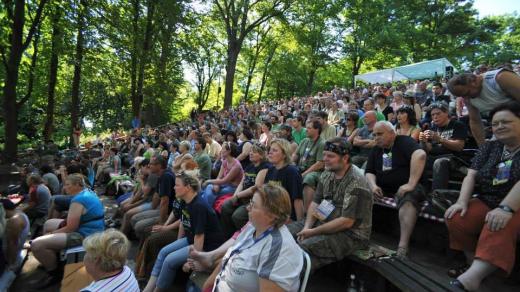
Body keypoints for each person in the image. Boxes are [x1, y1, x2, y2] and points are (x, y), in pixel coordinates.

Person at [445, 101, 520, 291]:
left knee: (498, 222)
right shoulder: (489, 147)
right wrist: (462, 202)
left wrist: (505, 208)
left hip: (516, 204)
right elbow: (471, 175)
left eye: (506, 122)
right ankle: (475, 265)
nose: (499, 127)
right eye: (495, 124)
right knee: (456, 217)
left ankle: (469, 280)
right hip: (489, 198)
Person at [288, 138, 373, 271]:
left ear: (345, 158)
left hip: (351, 235)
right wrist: (307, 227)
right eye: (324, 155)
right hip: (322, 221)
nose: (325, 159)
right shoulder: (327, 173)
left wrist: (312, 232)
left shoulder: (356, 181)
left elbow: (347, 222)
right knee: (284, 234)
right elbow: (316, 202)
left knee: (301, 249)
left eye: (330, 156)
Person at [212, 184, 304, 292]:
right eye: (250, 203)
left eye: (253, 205)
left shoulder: (278, 249)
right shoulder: (254, 226)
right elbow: (229, 257)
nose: (247, 208)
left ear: (272, 215)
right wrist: (208, 285)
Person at [143, 173, 224, 292]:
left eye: (177, 185)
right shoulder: (185, 201)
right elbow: (183, 221)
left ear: (188, 187)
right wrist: (173, 240)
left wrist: (194, 260)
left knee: (169, 261)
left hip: (206, 246)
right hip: (190, 240)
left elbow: (200, 236)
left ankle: (157, 290)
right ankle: (148, 288)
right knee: (163, 252)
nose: (174, 187)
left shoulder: (198, 206)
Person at [31, 174, 104, 288]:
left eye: (67, 185)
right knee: (48, 224)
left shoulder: (78, 200)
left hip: (85, 234)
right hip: (92, 227)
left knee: (36, 244)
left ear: (77, 185)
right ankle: (51, 258)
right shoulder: (87, 192)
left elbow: (71, 228)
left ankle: (54, 273)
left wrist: (51, 234)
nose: (64, 188)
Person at [365, 121, 427, 258]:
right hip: (384, 188)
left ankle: (403, 246)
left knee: (409, 198)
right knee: (360, 191)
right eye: (374, 135)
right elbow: (369, 171)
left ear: (392, 133)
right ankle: (359, 234)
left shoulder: (404, 141)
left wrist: (410, 184)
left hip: (407, 187)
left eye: (380, 134)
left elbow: (420, 155)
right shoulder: (377, 149)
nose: (376, 137)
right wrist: (373, 186)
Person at [447, 69, 520, 145]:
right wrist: (482, 146)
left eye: (467, 93)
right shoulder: (467, 98)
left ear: (473, 81)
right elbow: (475, 121)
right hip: (502, 127)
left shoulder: (500, 78)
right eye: (462, 96)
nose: (465, 98)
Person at [220, 143, 270, 238]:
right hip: (242, 197)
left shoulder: (265, 167)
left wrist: (237, 196)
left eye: (254, 152)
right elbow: (241, 183)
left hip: (253, 199)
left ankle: (247, 236)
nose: (250, 153)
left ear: (262, 155)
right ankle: (227, 236)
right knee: (225, 206)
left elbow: (255, 187)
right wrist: (234, 196)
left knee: (237, 216)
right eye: (250, 151)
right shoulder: (249, 166)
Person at [419, 102, 468, 190]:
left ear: (446, 113)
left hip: (453, 158)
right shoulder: (432, 128)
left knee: (439, 162)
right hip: (434, 157)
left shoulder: (457, 125)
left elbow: (459, 146)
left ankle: (438, 195)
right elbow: (428, 149)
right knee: (417, 158)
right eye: (433, 115)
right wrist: (423, 142)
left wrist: (440, 139)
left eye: (438, 113)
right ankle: (421, 191)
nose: (435, 117)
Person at [131, 155, 175, 239]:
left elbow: (164, 202)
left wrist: (162, 222)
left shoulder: (166, 177)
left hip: (168, 213)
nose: (148, 165)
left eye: (151, 164)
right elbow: (157, 196)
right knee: (134, 219)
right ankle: (140, 239)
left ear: (159, 165)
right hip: (159, 208)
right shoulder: (160, 174)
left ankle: (144, 242)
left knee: (139, 226)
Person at [265, 138, 304, 221]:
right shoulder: (271, 170)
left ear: (284, 155)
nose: (270, 152)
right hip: (271, 213)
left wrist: (298, 224)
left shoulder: (292, 172)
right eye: (270, 150)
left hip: (286, 218)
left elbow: (297, 200)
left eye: (275, 150)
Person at [292, 120, 325, 211]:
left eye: (309, 128)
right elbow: (296, 155)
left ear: (317, 130)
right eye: (306, 128)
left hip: (315, 172)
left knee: (308, 178)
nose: (306, 130)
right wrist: (290, 164)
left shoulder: (322, 143)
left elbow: (319, 164)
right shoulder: (304, 141)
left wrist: (304, 174)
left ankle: (307, 211)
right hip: (301, 168)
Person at [201, 142, 244, 208]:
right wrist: (216, 184)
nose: (221, 150)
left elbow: (224, 180)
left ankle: (206, 209)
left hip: (233, 188)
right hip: (225, 184)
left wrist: (208, 181)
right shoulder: (225, 161)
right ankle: (205, 207)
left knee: (211, 190)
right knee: (211, 188)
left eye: (223, 148)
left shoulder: (236, 166)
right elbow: (219, 177)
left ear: (229, 151)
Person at [0, 199, 29, 291]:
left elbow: (13, 244)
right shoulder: (19, 213)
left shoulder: (14, 221)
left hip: (9, 257)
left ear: (3, 209)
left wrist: (11, 263)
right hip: (15, 252)